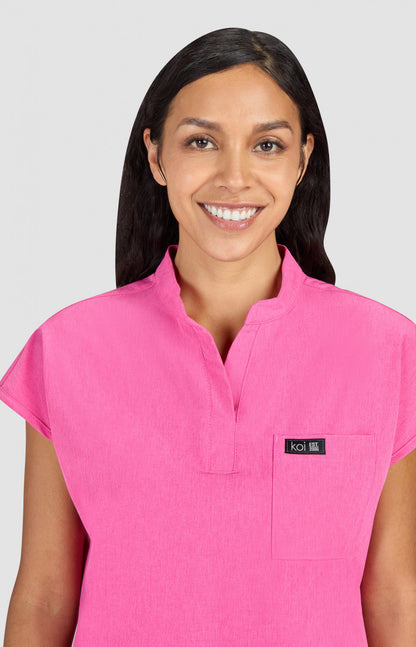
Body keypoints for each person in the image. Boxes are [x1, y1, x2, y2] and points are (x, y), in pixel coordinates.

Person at [1, 26, 415, 647]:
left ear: (302, 160)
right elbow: (44, 600)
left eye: (267, 145)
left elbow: (394, 599)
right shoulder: (68, 349)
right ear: (155, 155)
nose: (234, 177)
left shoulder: (388, 351)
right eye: (201, 141)